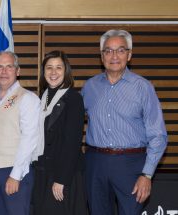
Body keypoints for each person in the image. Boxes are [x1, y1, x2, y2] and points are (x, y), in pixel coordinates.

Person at [82, 29, 168, 215]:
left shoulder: (143, 87)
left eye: (120, 50)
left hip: (132, 165)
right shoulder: (90, 87)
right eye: (108, 51)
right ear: (101, 55)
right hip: (95, 163)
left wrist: (147, 174)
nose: (114, 56)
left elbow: (158, 135)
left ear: (129, 55)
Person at [0, 51, 41, 215]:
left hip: (15, 171)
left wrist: (15, 175)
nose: (4, 71)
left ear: (17, 71)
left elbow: (29, 139)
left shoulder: (28, 99)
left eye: (9, 67)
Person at [32, 50, 87, 215]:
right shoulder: (42, 98)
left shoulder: (73, 99)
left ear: (66, 71)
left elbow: (72, 142)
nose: (53, 72)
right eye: (49, 68)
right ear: (43, 72)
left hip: (62, 175)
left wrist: (61, 180)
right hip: (42, 172)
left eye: (58, 68)